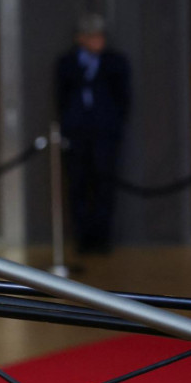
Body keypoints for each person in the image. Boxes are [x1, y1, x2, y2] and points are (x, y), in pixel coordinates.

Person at [54, 13, 132, 254]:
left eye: (99, 36)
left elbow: (124, 99)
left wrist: (112, 124)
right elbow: (61, 99)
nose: (96, 41)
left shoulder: (115, 62)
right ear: (80, 39)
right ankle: (83, 239)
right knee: (78, 186)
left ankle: (102, 238)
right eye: (91, 36)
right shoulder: (66, 63)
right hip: (76, 134)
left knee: (104, 188)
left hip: (105, 135)